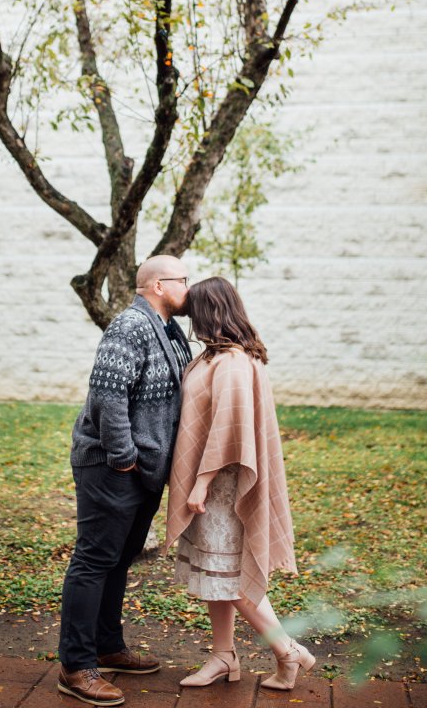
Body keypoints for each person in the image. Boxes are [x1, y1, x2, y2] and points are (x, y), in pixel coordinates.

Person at [165, 277, 315, 692]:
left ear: (207, 313)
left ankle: (288, 651)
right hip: (213, 485)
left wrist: (200, 484)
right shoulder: (219, 356)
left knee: (230, 575)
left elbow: (227, 435)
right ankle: (224, 655)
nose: (190, 320)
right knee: (217, 574)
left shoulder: (232, 362)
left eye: (194, 312)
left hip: (222, 487)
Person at [58, 255, 193, 706]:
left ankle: (108, 647)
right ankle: (76, 667)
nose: (188, 287)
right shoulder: (129, 326)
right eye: (182, 280)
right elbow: (107, 396)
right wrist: (122, 458)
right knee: (95, 559)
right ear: (157, 285)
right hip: (112, 466)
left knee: (120, 558)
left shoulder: (172, 333)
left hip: (143, 470)